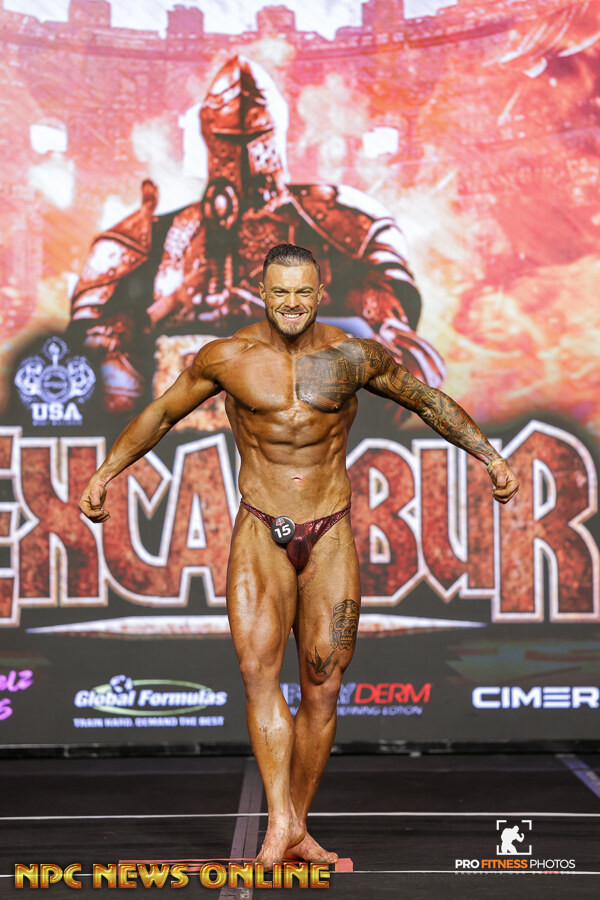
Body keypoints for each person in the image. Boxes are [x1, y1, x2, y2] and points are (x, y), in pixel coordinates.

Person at [78, 243, 519, 867]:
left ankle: (296, 825)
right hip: (262, 529)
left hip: (330, 530)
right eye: (280, 291)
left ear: (319, 293)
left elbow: (426, 400)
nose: (291, 303)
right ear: (262, 291)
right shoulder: (227, 357)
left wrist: (491, 457)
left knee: (323, 683)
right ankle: (280, 821)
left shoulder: (352, 356)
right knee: (258, 674)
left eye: (303, 292)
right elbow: (161, 414)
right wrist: (105, 474)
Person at [68, 55, 443, 414]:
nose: (243, 156)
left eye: (255, 138)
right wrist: (164, 315)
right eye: (229, 141)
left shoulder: (345, 224)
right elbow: (86, 362)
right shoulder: (148, 237)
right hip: (185, 425)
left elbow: (408, 360)